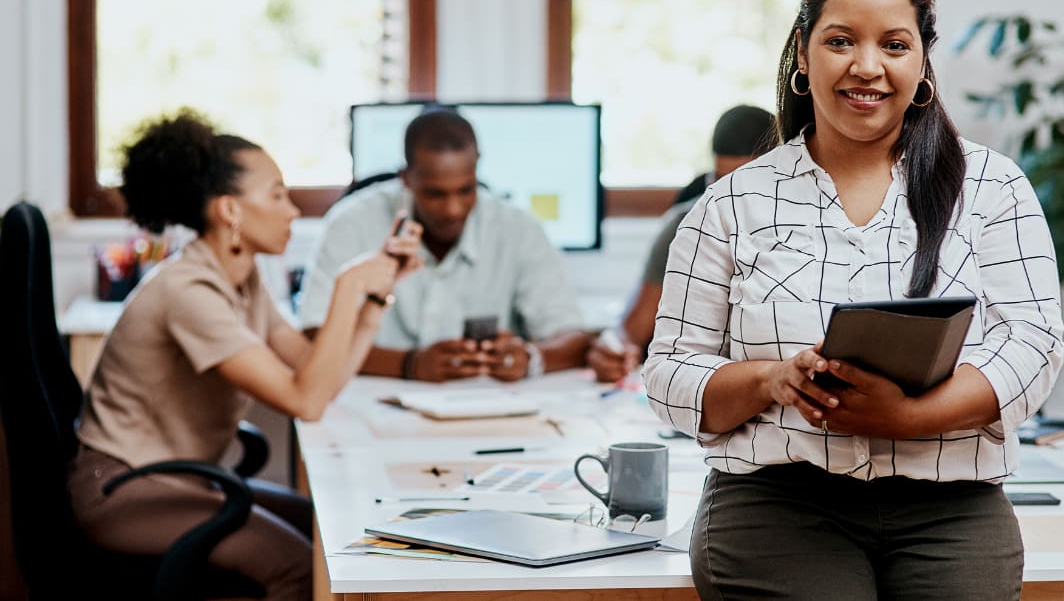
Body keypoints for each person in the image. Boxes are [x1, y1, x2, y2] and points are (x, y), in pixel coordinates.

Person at [643, 0, 1064, 601]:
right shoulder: (730, 203)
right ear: (804, 58)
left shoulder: (992, 187)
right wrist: (771, 378)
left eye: (894, 45)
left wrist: (911, 417)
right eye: (842, 40)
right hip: (778, 505)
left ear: (923, 65)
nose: (867, 66)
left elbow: (1033, 344)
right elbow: (670, 373)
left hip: (950, 504)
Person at [67, 110, 421, 601]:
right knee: (303, 569)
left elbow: (318, 374)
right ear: (230, 210)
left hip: (177, 482)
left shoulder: (242, 280)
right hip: (125, 492)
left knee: (329, 534)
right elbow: (307, 401)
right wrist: (347, 285)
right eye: (276, 194)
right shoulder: (189, 291)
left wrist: (375, 299)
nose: (292, 210)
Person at [299, 108, 591, 382]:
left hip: (487, 411)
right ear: (406, 179)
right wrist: (409, 364)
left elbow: (573, 335)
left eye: (466, 190)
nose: (453, 209)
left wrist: (529, 359)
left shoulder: (518, 228)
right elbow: (312, 337)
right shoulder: (351, 223)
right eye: (435, 194)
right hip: (371, 408)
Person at [586, 104, 774, 382]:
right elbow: (632, 331)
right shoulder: (687, 222)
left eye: (743, 183)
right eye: (719, 180)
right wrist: (614, 350)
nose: (728, 197)